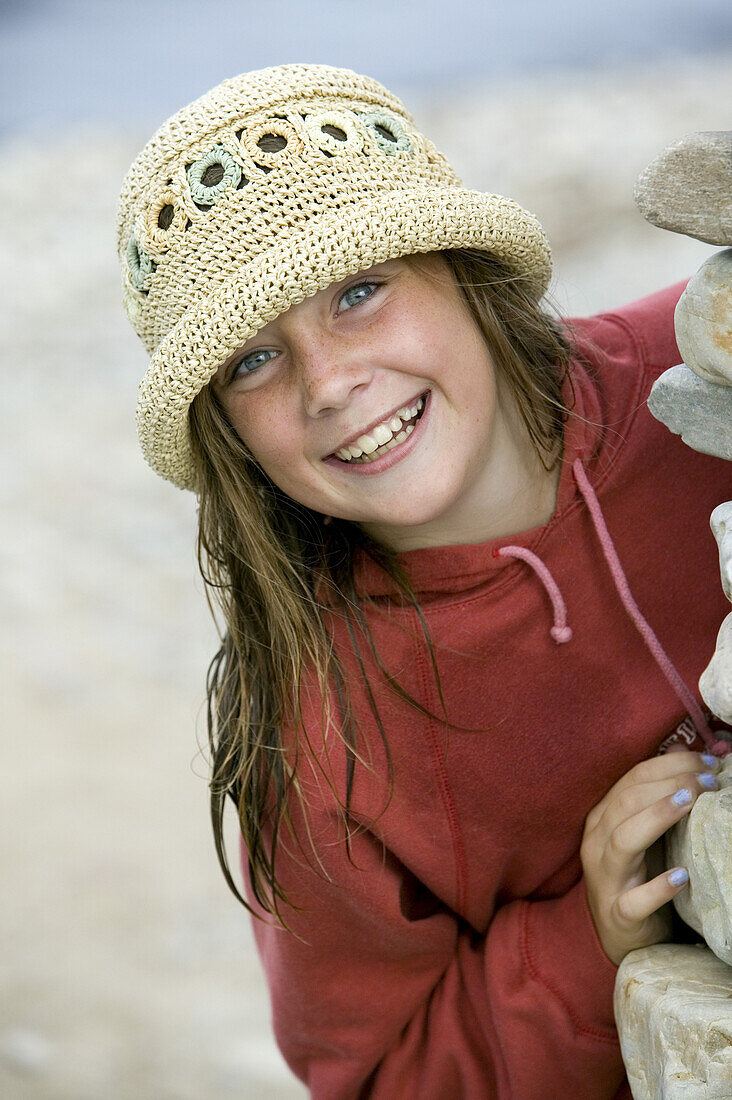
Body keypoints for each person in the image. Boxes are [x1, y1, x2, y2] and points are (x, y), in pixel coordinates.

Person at [117, 63, 731, 1099]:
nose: (330, 383)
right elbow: (375, 1078)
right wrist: (586, 937)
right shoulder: (321, 736)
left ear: (460, 264)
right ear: (223, 430)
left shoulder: (705, 370)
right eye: (252, 361)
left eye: (359, 291)